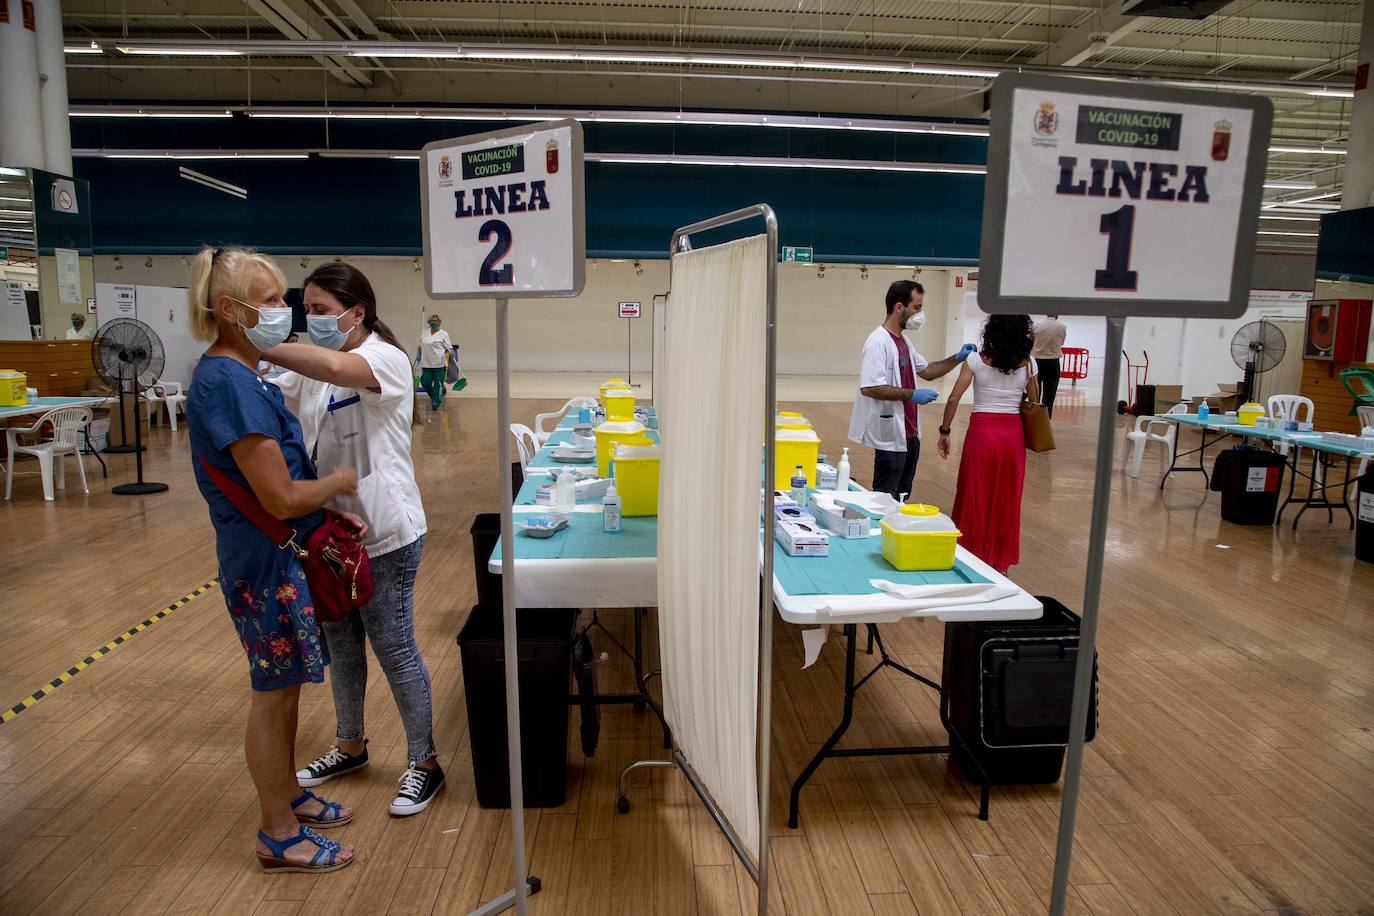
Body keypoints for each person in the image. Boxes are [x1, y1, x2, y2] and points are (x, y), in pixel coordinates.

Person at [185, 246, 361, 873]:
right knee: (272, 691)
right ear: (228, 310)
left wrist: (326, 511)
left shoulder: (242, 374)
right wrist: (336, 484)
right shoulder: (227, 383)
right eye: (268, 300)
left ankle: (289, 793)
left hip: (275, 555)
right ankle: (276, 832)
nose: (280, 311)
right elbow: (280, 497)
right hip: (262, 563)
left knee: (285, 690)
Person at [263, 262, 444, 817]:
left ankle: (425, 762)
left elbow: (331, 364)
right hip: (334, 537)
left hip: (386, 531)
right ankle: (350, 745)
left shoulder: (381, 359)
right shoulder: (317, 372)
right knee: (342, 650)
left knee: (393, 647)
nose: (310, 320)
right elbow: (273, 390)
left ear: (356, 312)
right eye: (307, 310)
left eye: (320, 311)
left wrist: (262, 345)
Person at [848, 279, 977, 501]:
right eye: (917, 307)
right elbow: (870, 387)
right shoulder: (878, 342)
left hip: (910, 433)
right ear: (900, 307)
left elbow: (927, 370)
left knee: (902, 496)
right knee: (884, 499)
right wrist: (912, 394)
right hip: (890, 435)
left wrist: (957, 358)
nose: (920, 314)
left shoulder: (904, 342)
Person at [937, 314, 1040, 575]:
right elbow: (1035, 403)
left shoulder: (975, 360)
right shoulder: (1028, 364)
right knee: (1006, 497)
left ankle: (970, 554)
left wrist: (945, 431)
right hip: (1012, 436)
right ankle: (999, 560)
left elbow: (953, 399)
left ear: (991, 331)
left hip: (982, 433)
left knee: (973, 493)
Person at [1032, 314, 1067, 418]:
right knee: (1050, 394)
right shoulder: (1062, 327)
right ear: (1057, 315)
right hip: (1053, 362)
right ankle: (1046, 419)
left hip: (1037, 362)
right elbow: (1062, 343)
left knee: (1035, 392)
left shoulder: (1036, 326)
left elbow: (1033, 342)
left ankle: (1034, 417)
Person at [416, 314, 452, 411]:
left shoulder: (443, 334)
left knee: (438, 384)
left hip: (439, 363)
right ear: (429, 322)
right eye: (432, 321)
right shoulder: (424, 332)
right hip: (426, 363)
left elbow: (449, 346)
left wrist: (450, 351)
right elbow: (420, 344)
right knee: (425, 382)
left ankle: (436, 402)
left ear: (439, 323)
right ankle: (435, 397)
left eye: (436, 321)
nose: (433, 322)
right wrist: (418, 355)